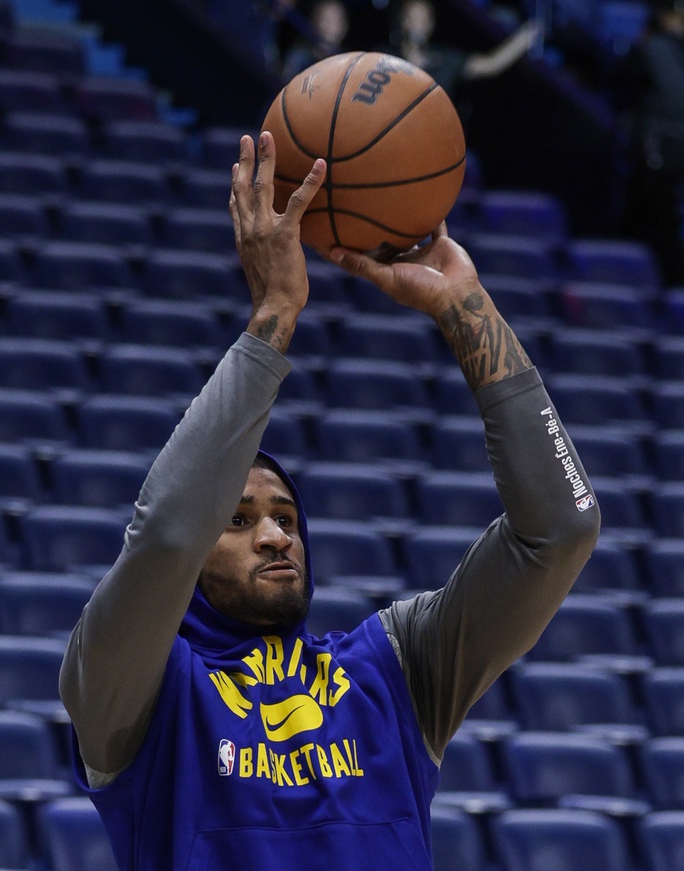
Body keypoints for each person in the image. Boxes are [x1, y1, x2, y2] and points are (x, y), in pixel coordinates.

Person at [59, 131, 601, 868]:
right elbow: (165, 537)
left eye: (285, 517)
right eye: (237, 520)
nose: (275, 536)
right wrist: (274, 316)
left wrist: (466, 308)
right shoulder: (133, 689)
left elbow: (562, 529)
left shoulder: (394, 666)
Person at [614, 0, 684, 284]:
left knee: (651, 229)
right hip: (683, 151)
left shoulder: (658, 48)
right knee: (663, 225)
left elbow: (621, 80)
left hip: (656, 150)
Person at [389, 0, 541, 95]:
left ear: (431, 24)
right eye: (413, 18)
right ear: (403, 21)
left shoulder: (445, 60)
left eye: (424, 19)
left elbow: (490, 65)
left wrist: (524, 38)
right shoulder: (387, 60)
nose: (419, 25)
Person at [283, 0, 351, 80]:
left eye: (336, 20)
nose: (330, 26)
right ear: (314, 22)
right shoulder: (299, 58)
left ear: (344, 26)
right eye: (326, 20)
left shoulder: (350, 62)